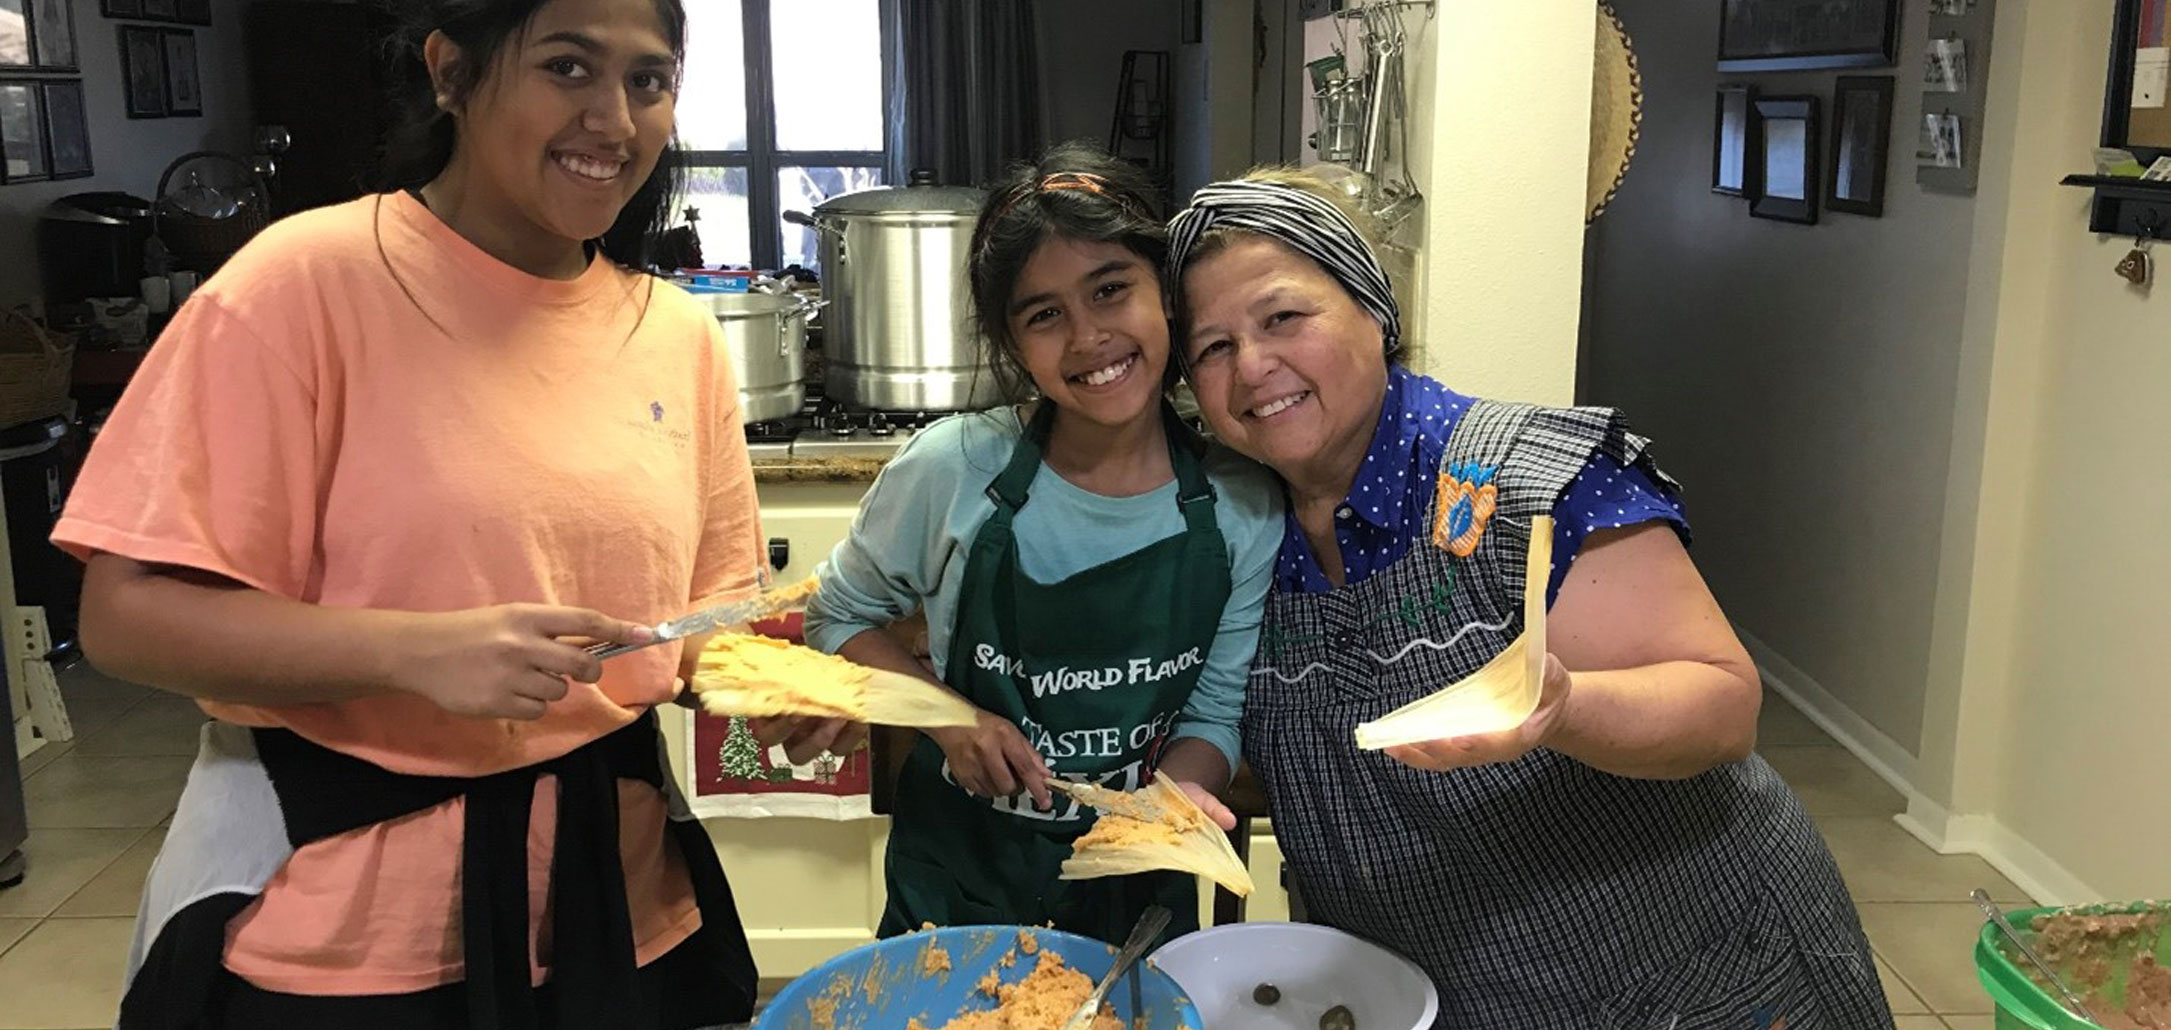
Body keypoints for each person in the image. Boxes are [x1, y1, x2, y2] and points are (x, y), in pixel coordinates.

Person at [53, 0, 766, 1025]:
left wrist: (773, 704)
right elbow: (125, 615)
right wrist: (411, 651)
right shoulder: (302, 285)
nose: (613, 119)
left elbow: (707, 628)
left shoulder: (676, 336)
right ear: (450, 72)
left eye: (647, 81)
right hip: (344, 935)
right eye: (567, 67)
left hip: (618, 911)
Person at [1165, 171, 1895, 1029]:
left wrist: (1563, 707)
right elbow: (1299, 752)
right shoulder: (1236, 532)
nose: (1252, 366)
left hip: (1689, 978)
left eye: (1282, 318)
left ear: (1373, 307)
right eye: (1212, 348)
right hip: (1443, 990)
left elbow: (1721, 705)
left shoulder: (1524, 481)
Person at [794, 142, 1282, 947]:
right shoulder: (953, 468)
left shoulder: (1239, 502)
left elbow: (1213, 711)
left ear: (1165, 296)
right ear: (1012, 342)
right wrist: (946, 718)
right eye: (1044, 314)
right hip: (960, 886)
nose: (1088, 336)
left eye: (1111, 290)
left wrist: (1173, 804)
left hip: (1137, 892)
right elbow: (837, 618)